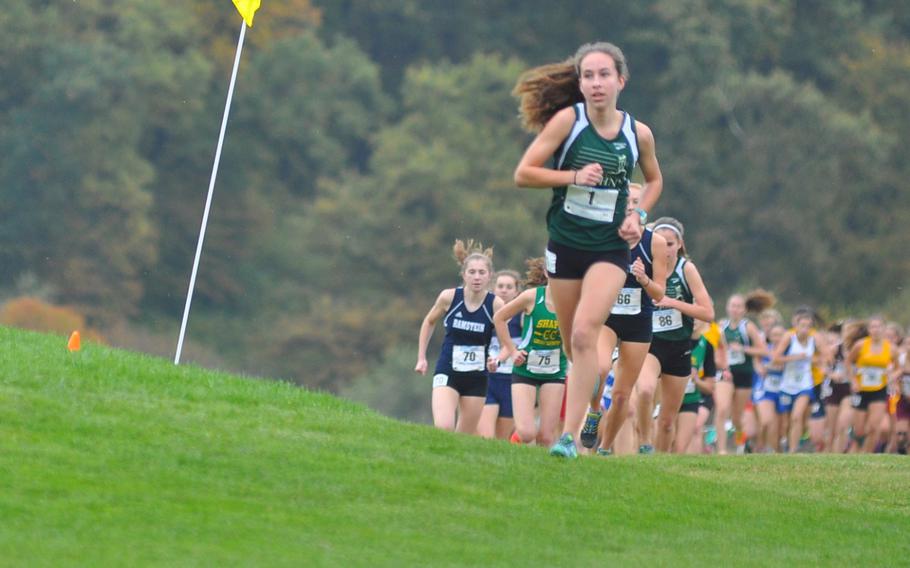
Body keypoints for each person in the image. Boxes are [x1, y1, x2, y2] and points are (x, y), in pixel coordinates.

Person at [513, 41, 663, 458]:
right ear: (580, 84)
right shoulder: (568, 122)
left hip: (610, 249)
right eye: (588, 76)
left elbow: (653, 181)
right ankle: (582, 414)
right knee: (571, 346)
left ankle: (569, 436)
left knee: (584, 333)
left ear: (621, 80)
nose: (596, 83)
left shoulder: (638, 134)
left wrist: (640, 217)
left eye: (604, 75)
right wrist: (573, 176)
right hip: (565, 245)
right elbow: (524, 174)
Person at [581, 183, 669, 454]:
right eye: (626, 200)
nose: (631, 205)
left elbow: (659, 294)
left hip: (638, 320)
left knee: (621, 395)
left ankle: (605, 448)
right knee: (601, 368)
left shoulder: (655, 242)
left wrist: (643, 279)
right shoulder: (605, 235)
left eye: (636, 201)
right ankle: (594, 411)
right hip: (608, 316)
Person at [635, 217, 715, 453]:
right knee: (646, 390)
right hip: (650, 343)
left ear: (679, 244)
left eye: (670, 243)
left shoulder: (686, 269)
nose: (666, 249)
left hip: (679, 347)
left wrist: (672, 302)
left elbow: (708, 313)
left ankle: (658, 464)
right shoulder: (645, 266)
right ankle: (644, 443)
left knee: (668, 422)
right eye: (662, 243)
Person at [415, 240, 504, 434]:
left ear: (490, 276)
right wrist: (421, 357)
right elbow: (429, 322)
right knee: (444, 428)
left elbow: (506, 341)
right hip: (447, 371)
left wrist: (497, 359)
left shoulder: (495, 304)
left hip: (477, 376)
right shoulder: (449, 297)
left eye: (482, 273)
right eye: (472, 272)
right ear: (464, 275)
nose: (477, 277)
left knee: (464, 437)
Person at [491, 258, 568, 447]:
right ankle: (514, 446)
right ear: (547, 273)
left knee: (547, 438)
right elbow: (499, 318)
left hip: (555, 371)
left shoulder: (572, 302)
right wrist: (512, 350)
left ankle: (542, 474)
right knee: (526, 433)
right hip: (525, 369)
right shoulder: (532, 297)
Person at [718, 295, 767, 454]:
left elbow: (762, 350)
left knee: (737, 417)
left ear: (744, 310)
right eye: (733, 305)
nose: (735, 309)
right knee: (722, 409)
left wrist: (743, 349)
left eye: (739, 306)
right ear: (727, 307)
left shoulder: (748, 327)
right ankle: (722, 449)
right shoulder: (721, 326)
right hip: (727, 374)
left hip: (744, 374)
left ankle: (742, 443)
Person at [478, 270, 522, 440]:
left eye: (509, 287)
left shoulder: (522, 317)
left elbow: (517, 345)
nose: (504, 290)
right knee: (486, 435)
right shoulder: (486, 312)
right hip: (488, 378)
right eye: (500, 286)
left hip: (511, 381)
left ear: (516, 291)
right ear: (493, 289)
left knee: (502, 438)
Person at [847, 316, 895, 453]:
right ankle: (855, 450)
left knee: (874, 427)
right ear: (869, 330)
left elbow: (898, 367)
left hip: (879, 389)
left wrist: (892, 376)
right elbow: (849, 362)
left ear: (884, 329)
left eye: (879, 326)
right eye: (873, 327)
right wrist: (853, 380)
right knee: (859, 430)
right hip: (861, 389)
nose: (876, 330)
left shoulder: (890, 348)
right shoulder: (860, 345)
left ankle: (866, 455)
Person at [771, 312, 817, 453]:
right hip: (787, 385)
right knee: (786, 423)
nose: (805, 329)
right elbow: (776, 358)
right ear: (796, 326)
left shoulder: (813, 340)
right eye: (802, 325)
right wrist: (795, 357)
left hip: (805, 384)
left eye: (808, 326)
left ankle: (793, 450)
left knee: (797, 417)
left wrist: (819, 361)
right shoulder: (789, 339)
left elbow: (824, 357)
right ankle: (783, 444)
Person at [675, 320, 717, 453]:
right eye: (690, 317)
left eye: (697, 317)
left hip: (690, 401)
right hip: (670, 399)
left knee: (680, 449)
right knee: (666, 442)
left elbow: (710, 387)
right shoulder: (674, 340)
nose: (693, 320)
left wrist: (696, 380)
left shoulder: (707, 346)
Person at [823, 322, 854, 453]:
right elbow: (823, 367)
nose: (849, 333)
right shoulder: (835, 349)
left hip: (850, 389)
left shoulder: (860, 348)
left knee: (843, 423)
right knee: (832, 427)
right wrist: (832, 374)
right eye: (846, 330)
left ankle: (840, 452)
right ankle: (828, 452)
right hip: (834, 388)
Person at [755, 324, 785, 452]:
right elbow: (757, 362)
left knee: (779, 428)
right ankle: (759, 447)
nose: (777, 338)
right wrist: (760, 367)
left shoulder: (788, 352)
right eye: (774, 335)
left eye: (780, 335)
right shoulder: (765, 350)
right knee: (766, 421)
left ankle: (776, 452)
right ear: (769, 337)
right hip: (765, 391)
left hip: (783, 392)